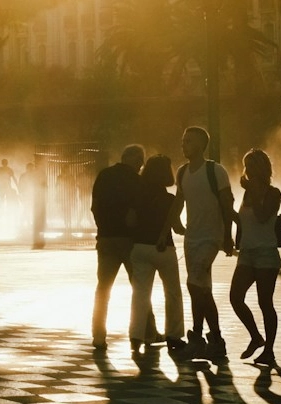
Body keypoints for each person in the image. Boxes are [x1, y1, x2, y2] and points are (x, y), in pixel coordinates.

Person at [174, 126, 234, 361]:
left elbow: (226, 203)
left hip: (211, 237)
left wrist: (228, 235)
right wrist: (173, 223)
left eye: (188, 141)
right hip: (192, 238)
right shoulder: (182, 172)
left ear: (200, 145)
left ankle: (200, 337)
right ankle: (214, 340)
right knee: (200, 288)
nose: (183, 145)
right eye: (183, 140)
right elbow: (179, 200)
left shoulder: (215, 171)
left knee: (194, 284)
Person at [228, 149, 281, 366]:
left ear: (262, 169)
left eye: (251, 166)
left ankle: (269, 349)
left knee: (265, 302)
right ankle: (255, 336)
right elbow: (244, 221)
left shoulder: (272, 193)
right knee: (235, 296)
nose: (248, 171)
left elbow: (261, 216)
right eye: (246, 166)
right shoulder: (247, 193)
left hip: (266, 254)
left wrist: (256, 190)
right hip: (248, 252)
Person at [126, 154, 184, 356]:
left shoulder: (136, 196)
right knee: (173, 293)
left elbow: (131, 222)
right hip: (164, 249)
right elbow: (176, 227)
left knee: (140, 294)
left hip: (140, 247)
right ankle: (174, 336)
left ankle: (136, 336)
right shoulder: (170, 199)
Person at [89, 145, 144, 350]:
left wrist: (102, 226)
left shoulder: (104, 175)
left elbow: (94, 205)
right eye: (140, 161)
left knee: (103, 288)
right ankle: (143, 332)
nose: (141, 165)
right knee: (139, 287)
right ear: (133, 159)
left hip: (106, 238)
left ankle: (98, 335)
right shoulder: (137, 181)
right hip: (130, 240)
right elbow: (139, 212)